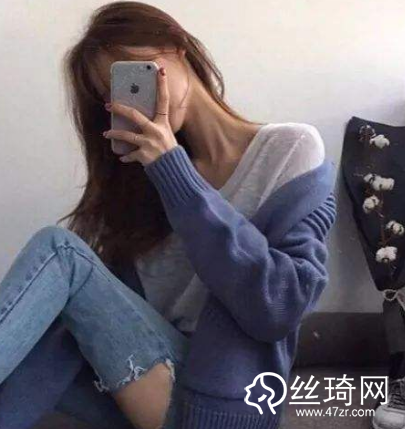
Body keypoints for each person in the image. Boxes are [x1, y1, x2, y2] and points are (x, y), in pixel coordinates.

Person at [0, 2, 337, 429]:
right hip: (137, 389)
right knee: (57, 322)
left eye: (131, 79)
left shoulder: (290, 150)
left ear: (175, 46)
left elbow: (279, 307)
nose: (129, 104)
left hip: (222, 405)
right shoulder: (141, 184)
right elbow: (101, 325)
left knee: (60, 251)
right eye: (111, 97)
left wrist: (174, 172)